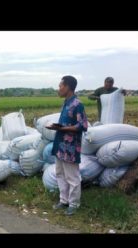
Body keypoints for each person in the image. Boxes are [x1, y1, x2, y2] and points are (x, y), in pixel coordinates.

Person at [47, 76, 88, 216]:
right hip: (61, 145)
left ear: (68, 87)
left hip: (70, 147)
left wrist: (61, 129)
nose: (59, 89)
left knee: (72, 176)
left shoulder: (77, 104)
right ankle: (63, 200)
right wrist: (59, 127)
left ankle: (74, 204)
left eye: (60, 86)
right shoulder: (66, 103)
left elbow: (82, 126)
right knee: (60, 174)